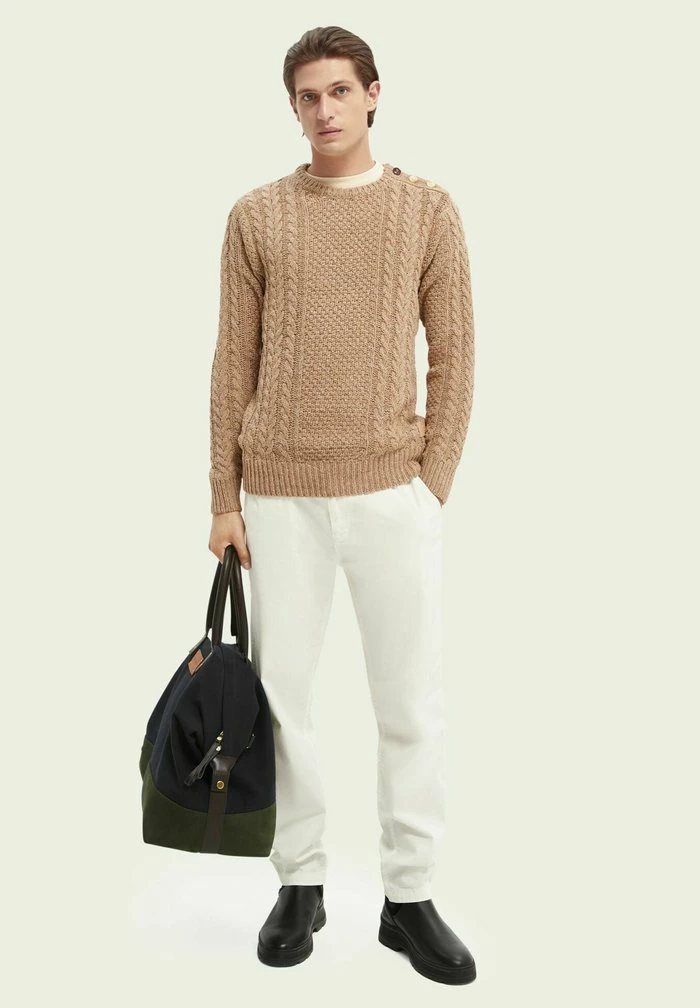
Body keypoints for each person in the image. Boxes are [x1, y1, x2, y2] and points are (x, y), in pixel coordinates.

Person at [207, 25, 476, 985]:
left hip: (392, 492)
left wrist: (430, 483)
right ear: (294, 109)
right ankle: (302, 881)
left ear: (372, 94)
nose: (324, 110)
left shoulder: (426, 210)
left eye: (338, 91)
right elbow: (231, 361)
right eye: (306, 97)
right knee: (284, 701)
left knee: (409, 702)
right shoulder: (256, 216)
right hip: (278, 496)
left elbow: (457, 353)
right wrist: (224, 497)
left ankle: (410, 895)